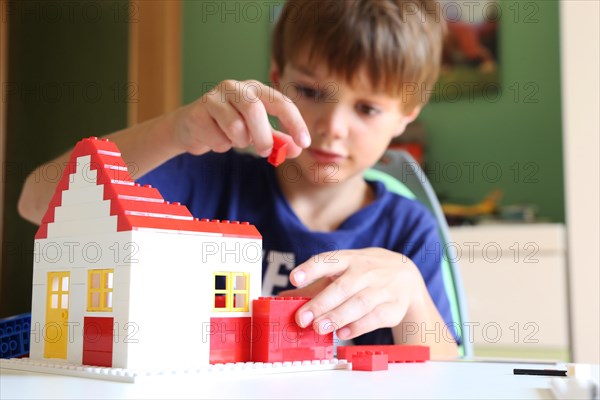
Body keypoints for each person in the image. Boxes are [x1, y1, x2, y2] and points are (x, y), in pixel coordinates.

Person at [18, 0, 458, 357]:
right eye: (309, 91)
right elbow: (36, 202)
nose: (332, 126)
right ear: (276, 79)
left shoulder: (407, 231)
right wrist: (174, 131)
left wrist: (413, 296)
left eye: (367, 108)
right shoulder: (208, 177)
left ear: (407, 115)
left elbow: (448, 378)